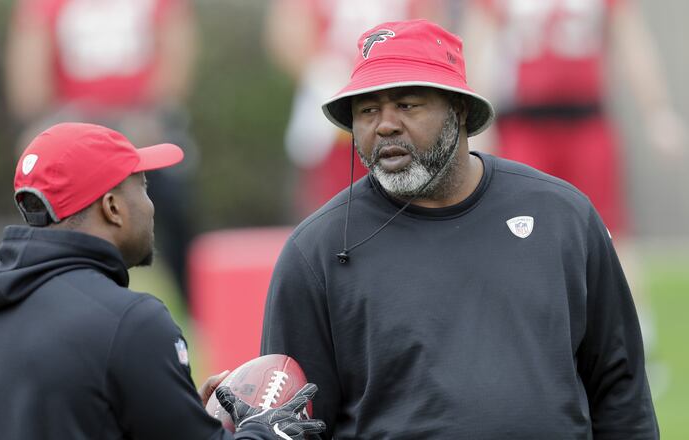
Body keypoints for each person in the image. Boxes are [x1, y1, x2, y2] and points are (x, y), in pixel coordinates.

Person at [261, 19, 658, 439]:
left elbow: (621, 392)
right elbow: (291, 423)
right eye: (368, 109)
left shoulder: (563, 217)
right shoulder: (316, 251)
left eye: (408, 104)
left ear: (460, 110)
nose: (386, 124)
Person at [0, 123, 324, 440]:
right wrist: (263, 431)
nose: (151, 207)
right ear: (113, 208)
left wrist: (178, 410)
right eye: (143, 187)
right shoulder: (129, 322)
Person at [460, 0, 687, 355]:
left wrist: (657, 110)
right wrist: (474, 120)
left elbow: (631, 39)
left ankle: (632, 341)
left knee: (610, 231)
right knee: (514, 233)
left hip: (587, 122)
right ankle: (519, 336)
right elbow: (481, 44)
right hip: (524, 125)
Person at [4, 0, 199, 305]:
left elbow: (176, 59)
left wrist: (145, 115)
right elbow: (30, 82)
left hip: (141, 123)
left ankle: (199, 308)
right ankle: (42, 301)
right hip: (74, 126)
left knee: (172, 219)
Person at [264, 0, 458, 217]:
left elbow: (432, 30)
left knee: (409, 199)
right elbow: (289, 30)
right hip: (332, 108)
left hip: (398, 96)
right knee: (332, 212)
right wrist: (322, 74)